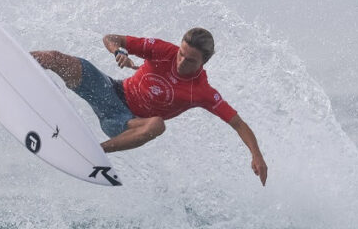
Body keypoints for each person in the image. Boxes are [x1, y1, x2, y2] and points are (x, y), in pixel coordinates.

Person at [31, 28, 268, 185]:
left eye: (190, 60)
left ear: (204, 62)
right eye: (182, 54)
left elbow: (238, 123)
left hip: (126, 123)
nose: (181, 61)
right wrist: (119, 51)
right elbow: (112, 38)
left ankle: (92, 152)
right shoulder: (163, 50)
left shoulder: (202, 91)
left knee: (157, 125)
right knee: (55, 58)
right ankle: (9, 62)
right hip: (110, 90)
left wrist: (256, 155)